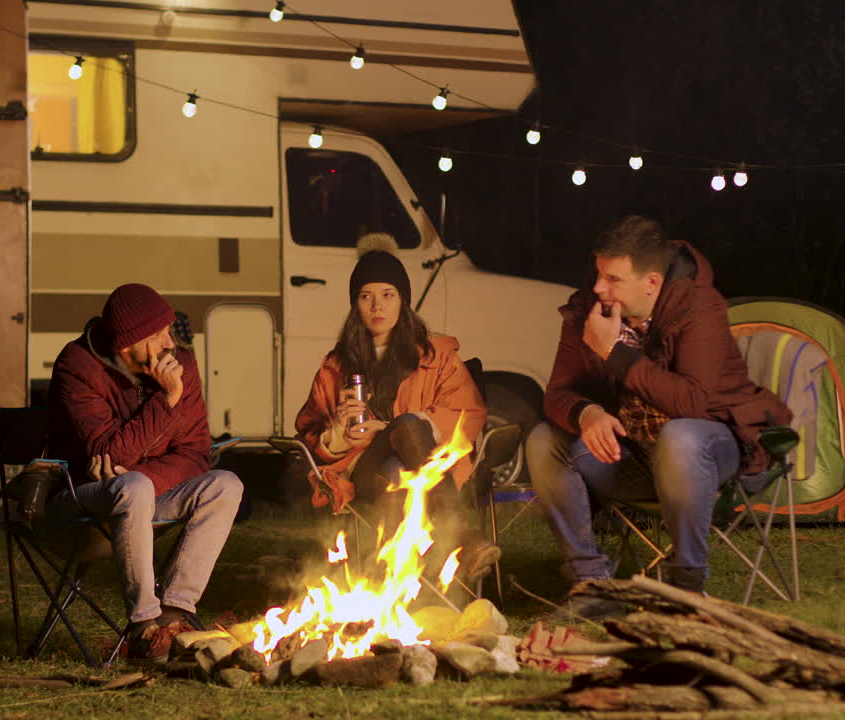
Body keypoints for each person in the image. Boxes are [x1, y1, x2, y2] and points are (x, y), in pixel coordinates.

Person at [526, 215, 791, 618]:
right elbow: (558, 393)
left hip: (712, 450)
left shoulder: (699, 307)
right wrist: (588, 413)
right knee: (544, 442)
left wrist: (614, 353)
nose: (599, 287)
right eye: (599, 274)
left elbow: (692, 402)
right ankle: (593, 585)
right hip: (633, 456)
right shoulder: (589, 312)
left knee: (681, 437)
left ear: (651, 282)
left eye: (613, 279)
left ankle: (684, 589)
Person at [45, 283, 243, 662]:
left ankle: (173, 615)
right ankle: (144, 627)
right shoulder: (78, 365)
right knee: (131, 487)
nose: (170, 343)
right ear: (127, 343)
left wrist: (132, 470)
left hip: (136, 497)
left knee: (225, 484)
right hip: (80, 503)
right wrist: (166, 400)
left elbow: (196, 455)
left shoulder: (180, 364)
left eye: (168, 330)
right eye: (158, 334)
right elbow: (106, 453)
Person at [294, 244, 500, 581]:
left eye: (388, 295)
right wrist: (336, 434)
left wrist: (389, 428)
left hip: (425, 465)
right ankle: (463, 539)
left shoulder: (436, 356)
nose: (377, 306)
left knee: (399, 459)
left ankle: (394, 588)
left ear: (403, 300)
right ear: (354, 304)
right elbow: (306, 432)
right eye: (366, 296)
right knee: (399, 443)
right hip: (362, 468)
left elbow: (469, 411)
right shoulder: (335, 365)